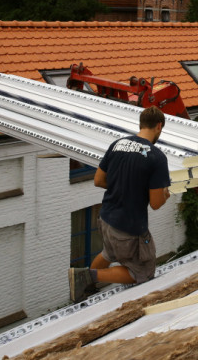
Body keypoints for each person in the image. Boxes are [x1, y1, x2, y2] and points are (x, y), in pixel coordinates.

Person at [68, 106, 171, 302]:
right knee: (142, 271)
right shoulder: (156, 157)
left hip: (106, 217)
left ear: (141, 124)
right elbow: (156, 203)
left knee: (108, 253)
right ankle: (87, 277)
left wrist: (122, 186)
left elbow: (98, 180)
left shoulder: (117, 144)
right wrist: (165, 194)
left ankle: (84, 288)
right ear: (159, 126)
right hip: (128, 226)